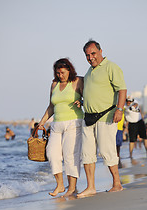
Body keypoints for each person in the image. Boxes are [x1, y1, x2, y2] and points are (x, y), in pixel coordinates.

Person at [77, 40, 127, 198]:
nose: (91, 57)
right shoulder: (89, 71)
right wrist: (83, 102)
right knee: (87, 153)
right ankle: (91, 187)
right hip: (89, 118)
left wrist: (119, 109)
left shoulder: (111, 67)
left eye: (93, 53)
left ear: (100, 51)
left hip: (106, 116)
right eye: (87, 55)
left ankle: (117, 184)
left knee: (107, 151)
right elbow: (94, 92)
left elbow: (122, 89)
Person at [38, 58, 83, 197]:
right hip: (56, 124)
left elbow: (89, 97)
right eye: (57, 73)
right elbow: (51, 106)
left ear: (69, 70)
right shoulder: (54, 85)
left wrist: (81, 101)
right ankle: (60, 185)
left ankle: (72, 187)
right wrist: (42, 122)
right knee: (52, 153)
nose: (60, 75)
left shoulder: (78, 81)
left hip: (74, 122)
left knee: (70, 156)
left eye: (62, 72)